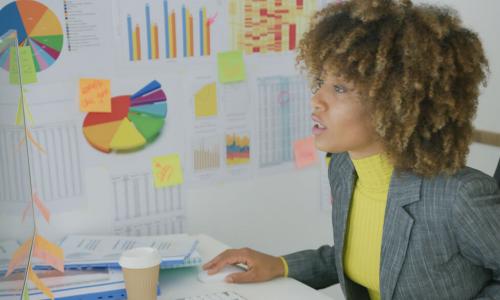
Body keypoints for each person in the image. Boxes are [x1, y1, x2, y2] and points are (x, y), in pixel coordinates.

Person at [203, 0, 500, 299]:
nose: (316, 101)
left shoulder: (461, 197)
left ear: (394, 104)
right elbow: (362, 256)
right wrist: (281, 265)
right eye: (321, 82)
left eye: (340, 88)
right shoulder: (344, 168)